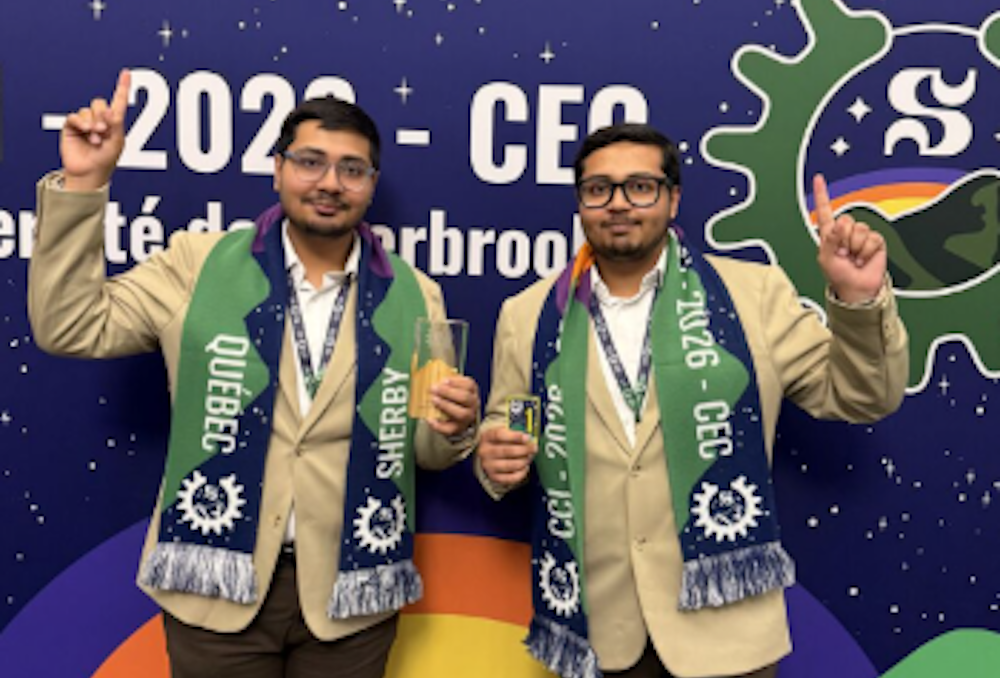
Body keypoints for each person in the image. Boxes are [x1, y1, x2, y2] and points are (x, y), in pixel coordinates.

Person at [28, 69, 480, 678]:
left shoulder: (414, 294)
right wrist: (85, 185)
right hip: (216, 595)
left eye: (352, 169)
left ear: (371, 185)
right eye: (310, 162)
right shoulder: (198, 264)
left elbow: (425, 449)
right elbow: (69, 324)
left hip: (349, 601)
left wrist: (454, 427)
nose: (330, 183)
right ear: (277, 168)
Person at [475, 123, 908, 678]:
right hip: (596, 632)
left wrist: (859, 300)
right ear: (580, 202)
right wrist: (495, 460)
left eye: (640, 187)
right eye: (598, 189)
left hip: (725, 633)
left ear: (673, 197)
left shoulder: (753, 296)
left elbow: (863, 395)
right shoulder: (529, 315)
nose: (618, 204)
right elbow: (510, 423)